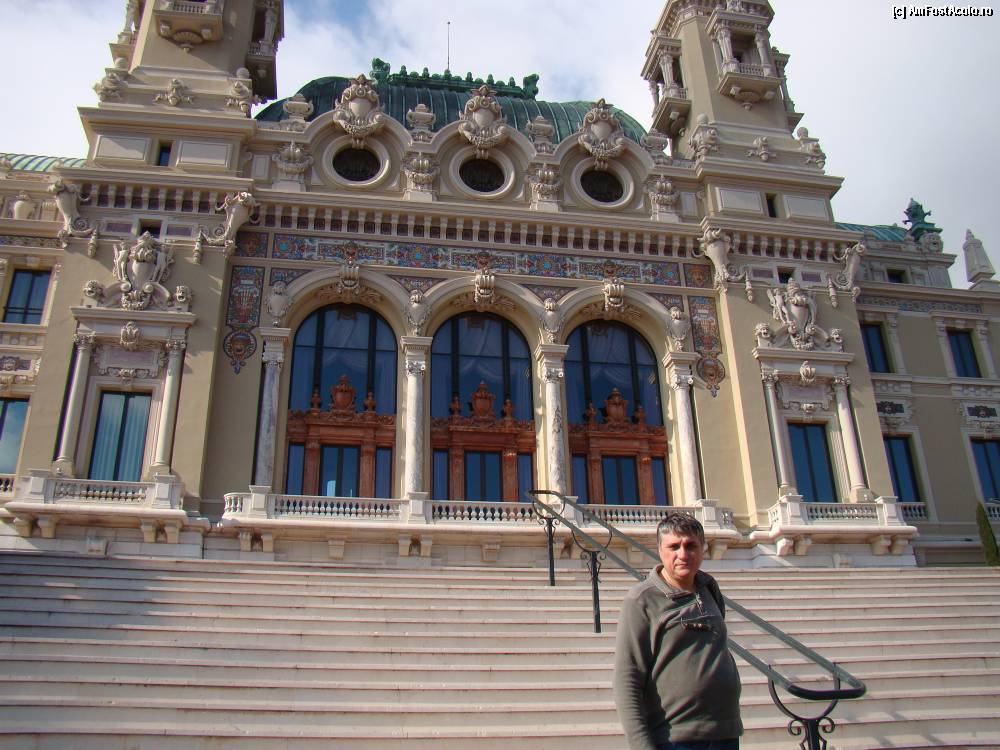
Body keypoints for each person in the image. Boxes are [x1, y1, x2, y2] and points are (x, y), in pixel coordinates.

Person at [614, 513, 742, 750]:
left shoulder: (709, 588)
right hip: (675, 739)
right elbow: (627, 678)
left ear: (702, 549)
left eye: (691, 546)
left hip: (726, 734)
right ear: (660, 551)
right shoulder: (641, 600)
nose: (683, 554)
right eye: (674, 547)